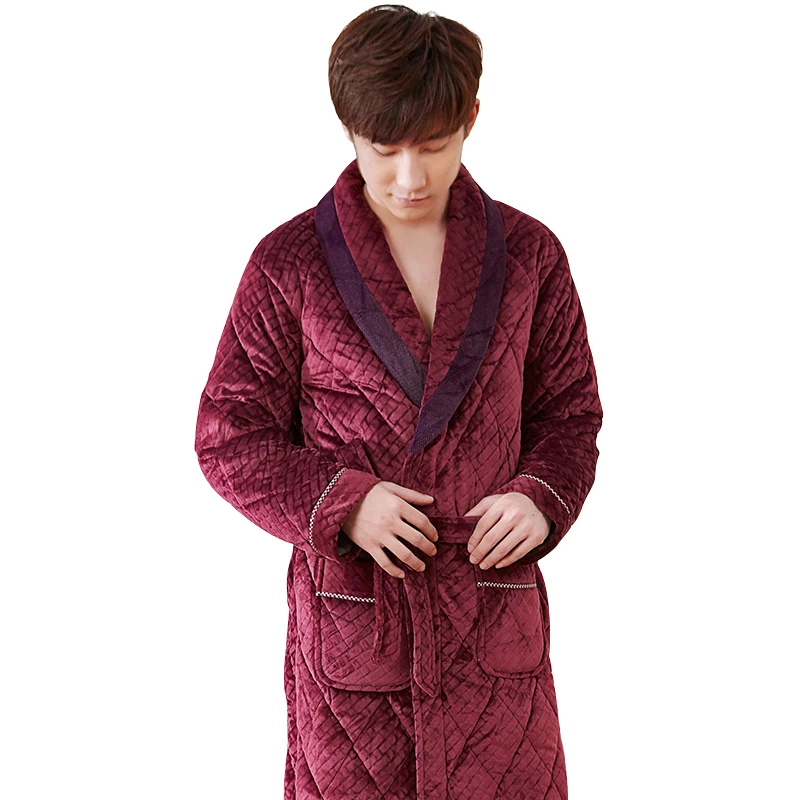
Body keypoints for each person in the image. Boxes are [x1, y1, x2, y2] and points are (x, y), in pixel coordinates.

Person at [194, 5, 602, 798]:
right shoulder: (290, 264)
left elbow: (570, 414)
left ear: (471, 119)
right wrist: (343, 505)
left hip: (491, 622)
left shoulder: (530, 256)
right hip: (359, 634)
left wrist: (541, 498)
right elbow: (227, 435)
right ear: (350, 128)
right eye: (385, 149)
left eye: (434, 145)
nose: (409, 177)